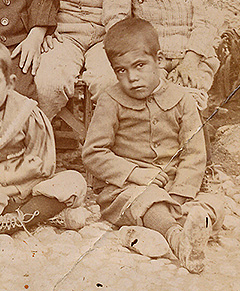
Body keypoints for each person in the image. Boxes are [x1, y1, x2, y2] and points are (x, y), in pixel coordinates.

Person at [82, 17, 228, 274]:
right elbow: (94, 153)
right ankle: (177, 239)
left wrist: (179, 194)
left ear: (159, 61)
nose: (132, 78)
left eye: (140, 66)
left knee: (214, 203)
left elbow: (194, 154)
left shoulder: (182, 99)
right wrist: (135, 174)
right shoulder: (110, 100)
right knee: (147, 199)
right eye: (121, 71)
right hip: (125, 188)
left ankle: (165, 224)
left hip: (174, 187)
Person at [0, 39, 88, 238]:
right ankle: (44, 215)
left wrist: (16, 186)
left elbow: (42, 164)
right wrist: (7, 185)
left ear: (9, 84)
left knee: (73, 181)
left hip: (31, 184)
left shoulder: (27, 112)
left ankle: (7, 222)